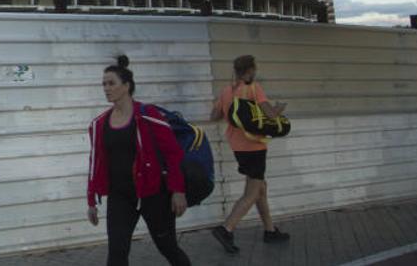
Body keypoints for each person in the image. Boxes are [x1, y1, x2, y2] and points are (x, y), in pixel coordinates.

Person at [86, 55, 191, 266]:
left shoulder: (148, 115)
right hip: (120, 197)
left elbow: (173, 153)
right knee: (117, 253)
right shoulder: (99, 124)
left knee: (168, 248)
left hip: (153, 194)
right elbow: (95, 162)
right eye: (103, 84)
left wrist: (178, 190)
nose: (106, 88)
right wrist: (91, 200)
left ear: (126, 86)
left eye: (111, 83)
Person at [208, 54, 291, 253]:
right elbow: (270, 114)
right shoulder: (254, 88)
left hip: (237, 146)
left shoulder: (227, 91)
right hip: (254, 147)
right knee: (252, 192)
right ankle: (226, 229)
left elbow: (214, 117)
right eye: (255, 68)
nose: (256, 72)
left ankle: (270, 231)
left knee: (261, 187)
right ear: (250, 70)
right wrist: (279, 108)